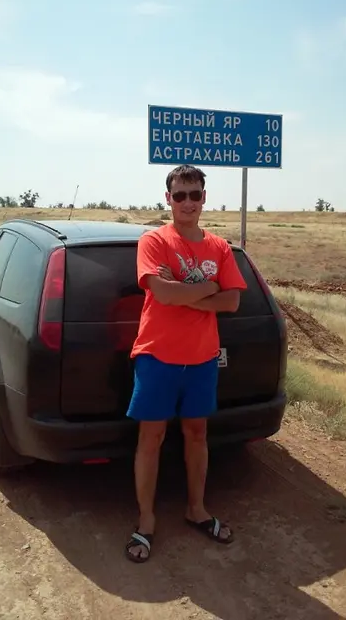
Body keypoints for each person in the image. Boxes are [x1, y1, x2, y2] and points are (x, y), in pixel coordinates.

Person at [125, 164, 248, 563]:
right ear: (168, 199)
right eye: (180, 195)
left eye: (195, 194)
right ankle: (146, 521)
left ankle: (196, 509)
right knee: (151, 438)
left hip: (201, 359)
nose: (188, 202)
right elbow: (161, 294)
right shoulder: (154, 240)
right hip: (156, 356)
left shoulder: (219, 247)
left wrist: (183, 291)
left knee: (197, 435)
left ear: (204, 198)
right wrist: (208, 287)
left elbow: (232, 301)